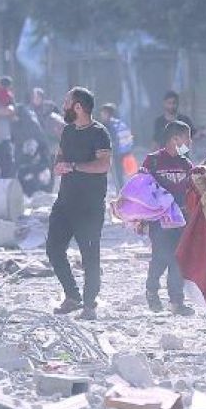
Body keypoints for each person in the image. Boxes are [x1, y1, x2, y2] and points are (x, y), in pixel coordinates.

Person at [47, 87, 114, 321]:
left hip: (89, 206)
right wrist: (58, 166)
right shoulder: (67, 131)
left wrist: (74, 166)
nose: (63, 105)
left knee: (89, 256)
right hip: (65, 202)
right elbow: (60, 156)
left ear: (77, 107)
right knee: (54, 249)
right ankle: (72, 296)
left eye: (67, 102)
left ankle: (89, 305)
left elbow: (103, 165)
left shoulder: (99, 133)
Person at [142, 120, 196, 316]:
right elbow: (141, 189)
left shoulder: (186, 163)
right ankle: (152, 291)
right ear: (175, 139)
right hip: (159, 219)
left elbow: (193, 191)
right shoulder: (153, 161)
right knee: (161, 257)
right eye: (187, 138)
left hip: (182, 219)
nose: (189, 142)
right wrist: (140, 218)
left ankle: (176, 302)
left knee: (179, 259)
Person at [98, 103, 133, 193]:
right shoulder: (117, 123)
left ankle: (120, 192)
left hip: (114, 154)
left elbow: (113, 140)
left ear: (108, 113)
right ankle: (121, 191)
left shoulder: (110, 125)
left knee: (116, 174)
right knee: (118, 174)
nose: (102, 114)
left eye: (103, 113)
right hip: (120, 152)